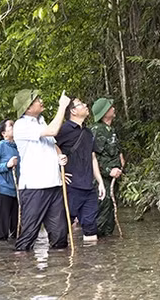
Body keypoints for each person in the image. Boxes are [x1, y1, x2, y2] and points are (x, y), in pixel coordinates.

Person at [12, 89, 71, 251]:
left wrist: (60, 156)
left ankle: (57, 273)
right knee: (29, 235)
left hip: (54, 185)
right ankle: (21, 271)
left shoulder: (42, 121)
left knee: (60, 236)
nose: (41, 101)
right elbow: (53, 131)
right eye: (37, 99)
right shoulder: (21, 125)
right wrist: (62, 107)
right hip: (34, 188)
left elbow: (52, 143)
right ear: (28, 108)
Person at [56, 97, 106, 243]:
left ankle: (89, 262)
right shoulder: (63, 130)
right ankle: (63, 260)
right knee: (63, 226)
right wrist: (58, 172)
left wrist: (100, 182)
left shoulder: (88, 132)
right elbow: (50, 146)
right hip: (71, 186)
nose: (85, 105)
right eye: (81, 104)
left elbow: (93, 158)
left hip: (88, 187)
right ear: (73, 111)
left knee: (90, 226)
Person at [90, 98, 125, 237]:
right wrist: (108, 170)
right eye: (110, 107)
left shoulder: (111, 130)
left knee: (110, 216)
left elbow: (116, 150)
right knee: (101, 215)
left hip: (113, 180)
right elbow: (93, 157)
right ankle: (94, 250)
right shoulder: (96, 130)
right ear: (104, 113)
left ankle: (108, 252)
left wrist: (121, 162)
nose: (114, 108)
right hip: (101, 181)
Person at [0, 119, 20, 241]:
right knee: (1, 229)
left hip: (17, 191)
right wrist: (6, 165)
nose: (15, 127)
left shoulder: (19, 147)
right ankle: (0, 257)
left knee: (17, 228)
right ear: (3, 133)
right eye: (11, 126)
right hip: (3, 190)